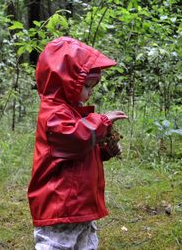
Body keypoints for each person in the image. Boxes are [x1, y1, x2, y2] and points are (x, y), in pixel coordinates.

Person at [27, 37, 127, 249]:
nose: (90, 91)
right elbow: (75, 139)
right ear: (65, 81)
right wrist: (103, 121)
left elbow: (82, 149)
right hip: (60, 207)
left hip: (79, 205)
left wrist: (104, 150)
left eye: (93, 86)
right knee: (56, 245)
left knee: (86, 244)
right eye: (86, 85)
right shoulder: (53, 114)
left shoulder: (72, 112)